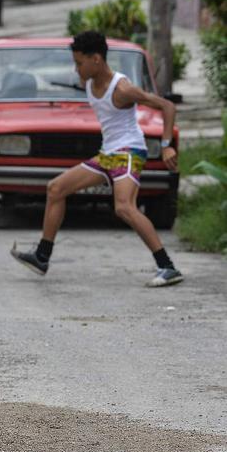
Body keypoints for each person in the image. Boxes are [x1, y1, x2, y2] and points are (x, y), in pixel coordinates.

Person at [11, 30, 183, 287]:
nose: (76, 68)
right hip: (108, 154)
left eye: (79, 62)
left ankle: (167, 266)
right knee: (56, 188)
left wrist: (167, 146)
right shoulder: (89, 82)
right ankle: (42, 257)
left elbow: (167, 107)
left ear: (97, 60)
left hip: (129, 152)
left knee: (124, 207)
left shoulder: (123, 89)